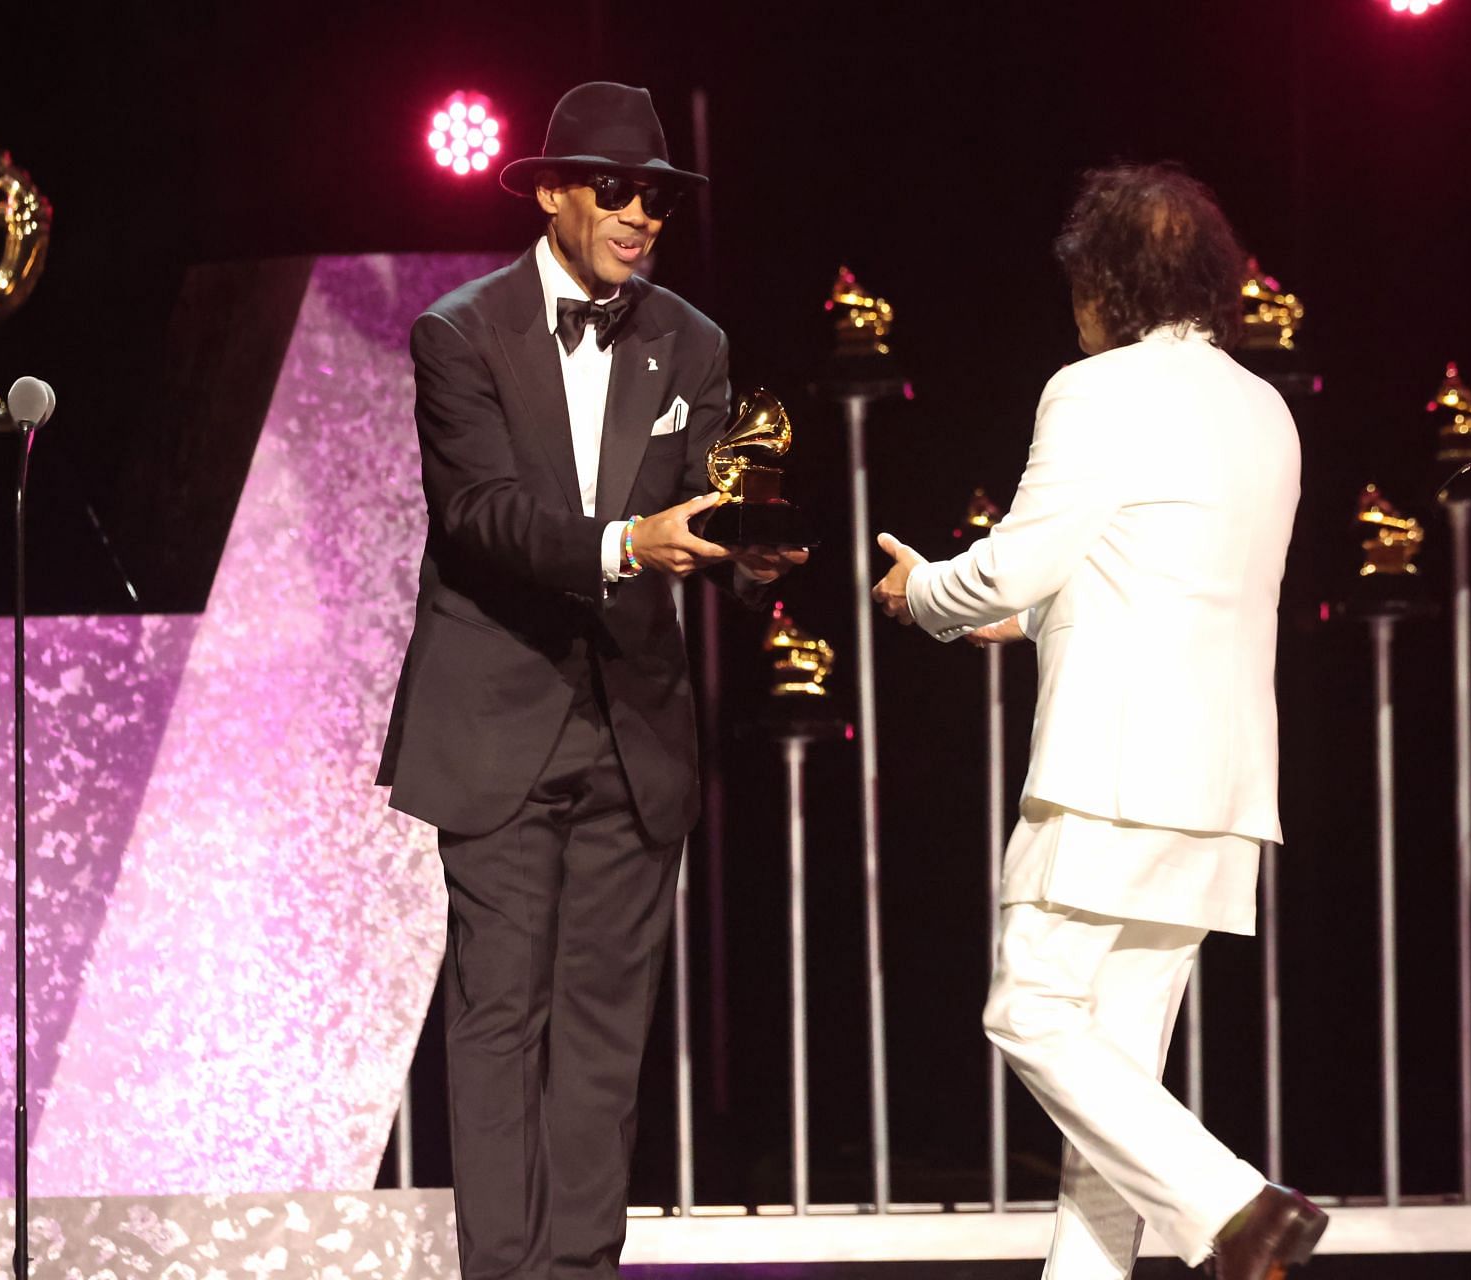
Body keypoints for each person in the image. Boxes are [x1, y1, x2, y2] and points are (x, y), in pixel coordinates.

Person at [375, 82, 802, 1279]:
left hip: (635, 727)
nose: (640, 214)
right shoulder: (458, 332)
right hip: (498, 720)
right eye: (615, 189)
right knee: (501, 1020)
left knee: (608, 1036)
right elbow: (480, 518)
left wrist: (749, 557)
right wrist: (629, 542)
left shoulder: (694, 342)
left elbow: (705, 517)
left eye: (657, 196)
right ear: (555, 190)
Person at [871, 162, 1318, 1280]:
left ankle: (1239, 1202)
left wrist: (925, 592)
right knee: (1110, 1099)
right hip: (1221, 785)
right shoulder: (1264, 409)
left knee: (1030, 1008)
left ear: (1105, 284)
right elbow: (1163, 573)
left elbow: (1017, 558)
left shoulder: (1096, 389)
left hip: (1111, 773)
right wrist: (1023, 617)